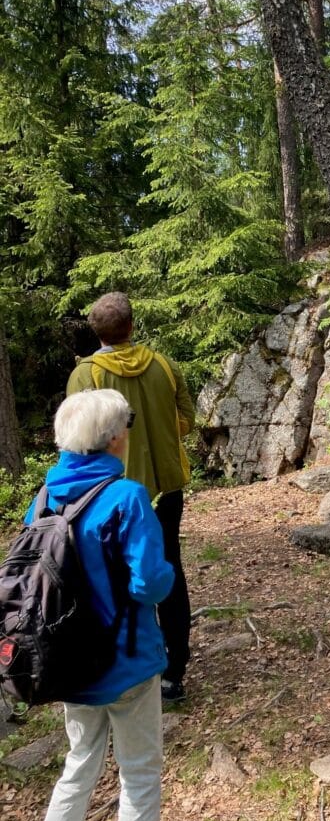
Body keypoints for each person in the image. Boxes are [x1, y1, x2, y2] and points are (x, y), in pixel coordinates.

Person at [37, 390, 174, 821]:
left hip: (64, 658)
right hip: (126, 660)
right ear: (115, 437)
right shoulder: (127, 498)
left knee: (78, 767)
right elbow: (151, 584)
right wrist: (167, 573)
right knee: (138, 774)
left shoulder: (43, 499)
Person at [67, 292, 195, 703]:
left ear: (97, 331)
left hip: (112, 494)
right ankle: (174, 673)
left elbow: (78, 441)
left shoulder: (86, 375)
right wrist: (158, 434)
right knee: (167, 570)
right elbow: (187, 420)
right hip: (167, 489)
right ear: (132, 325)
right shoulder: (163, 364)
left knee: (119, 580)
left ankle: (132, 668)